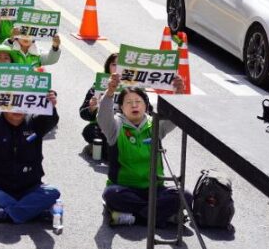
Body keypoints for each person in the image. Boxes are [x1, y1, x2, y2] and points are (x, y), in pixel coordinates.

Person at [98, 75, 190, 226]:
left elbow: (175, 118)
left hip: (155, 189)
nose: (134, 105)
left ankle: (135, 217)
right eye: (128, 102)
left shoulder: (155, 125)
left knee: (184, 195)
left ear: (146, 106)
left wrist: (179, 94)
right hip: (125, 189)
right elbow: (102, 118)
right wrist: (109, 93)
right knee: (111, 195)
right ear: (121, 107)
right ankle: (162, 216)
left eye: (138, 102)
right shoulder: (115, 127)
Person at [0, 86, 61, 224]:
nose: (18, 110)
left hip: (29, 187)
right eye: (12, 103)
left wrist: (51, 105)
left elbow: (50, 120)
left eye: (22, 104)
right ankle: (32, 211)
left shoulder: (35, 122)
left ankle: (5, 214)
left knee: (53, 191)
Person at [80, 54, 118, 159]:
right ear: (108, 66)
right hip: (103, 127)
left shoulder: (134, 87)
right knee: (89, 131)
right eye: (114, 64)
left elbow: (147, 110)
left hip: (126, 126)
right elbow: (83, 112)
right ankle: (103, 149)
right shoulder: (98, 86)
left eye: (120, 65)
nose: (117, 69)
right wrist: (91, 108)